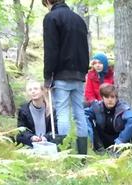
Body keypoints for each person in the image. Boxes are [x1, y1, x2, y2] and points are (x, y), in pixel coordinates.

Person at [42, 0, 89, 154]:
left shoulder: (51, 18)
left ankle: (64, 153)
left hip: (61, 74)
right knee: (79, 112)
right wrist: (84, 71)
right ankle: (82, 155)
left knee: (62, 113)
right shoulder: (79, 19)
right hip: (79, 74)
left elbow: (51, 50)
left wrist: (48, 76)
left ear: (49, 1)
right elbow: (84, 48)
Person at [87, 83, 132, 155]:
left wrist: (120, 140)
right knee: (88, 122)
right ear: (102, 98)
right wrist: (89, 135)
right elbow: (84, 116)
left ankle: (125, 151)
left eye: (112, 97)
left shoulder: (122, 108)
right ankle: (100, 150)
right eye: (107, 97)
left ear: (116, 98)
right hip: (103, 140)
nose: (110, 100)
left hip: (120, 140)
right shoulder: (96, 108)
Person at [16, 79, 58, 147]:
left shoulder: (51, 109)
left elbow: (55, 129)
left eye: (35, 89)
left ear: (42, 91)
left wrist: (45, 137)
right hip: (31, 141)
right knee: (19, 137)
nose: (33, 91)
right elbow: (21, 128)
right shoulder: (23, 110)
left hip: (47, 140)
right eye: (30, 90)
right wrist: (32, 137)